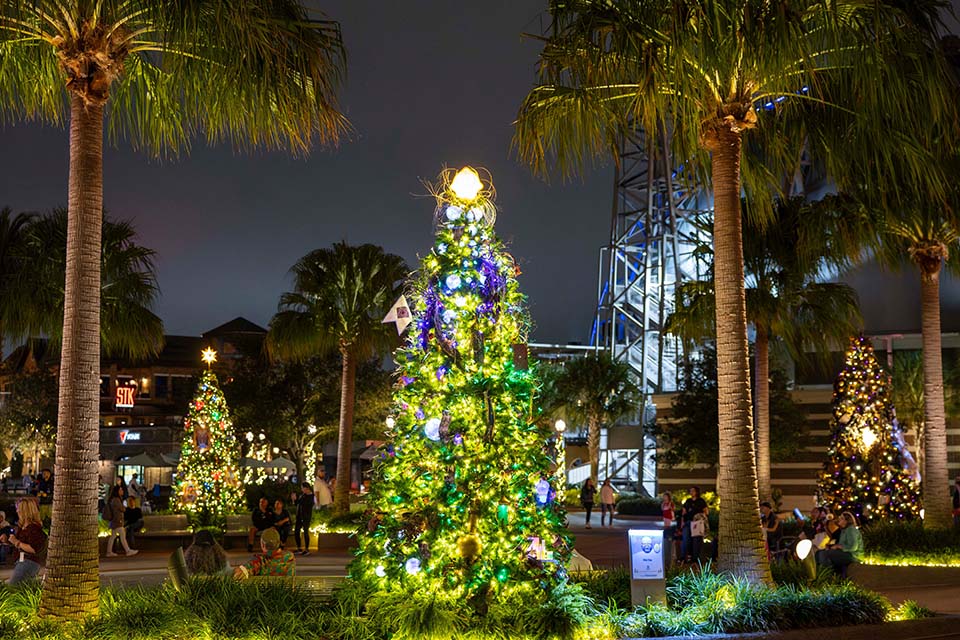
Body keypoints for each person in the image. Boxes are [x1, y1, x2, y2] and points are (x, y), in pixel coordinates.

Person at [0, 497, 47, 584]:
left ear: (25, 510)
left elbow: (33, 549)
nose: (17, 511)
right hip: (22, 562)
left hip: (29, 562)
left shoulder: (33, 528)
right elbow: (18, 544)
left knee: (13, 588)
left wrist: (16, 542)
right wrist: (7, 541)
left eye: (19, 508)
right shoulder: (22, 527)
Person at [816, 511, 863, 575]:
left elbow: (853, 547)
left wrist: (838, 546)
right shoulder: (844, 530)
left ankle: (827, 575)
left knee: (824, 554)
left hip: (853, 555)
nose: (839, 519)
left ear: (846, 521)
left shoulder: (851, 530)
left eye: (841, 518)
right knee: (818, 553)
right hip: (845, 553)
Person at [103, 484, 138, 557]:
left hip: (114, 521)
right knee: (122, 535)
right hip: (117, 520)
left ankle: (109, 552)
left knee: (113, 536)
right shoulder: (116, 500)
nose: (122, 491)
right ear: (117, 491)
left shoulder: (113, 499)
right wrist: (124, 506)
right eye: (121, 490)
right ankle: (128, 551)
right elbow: (122, 509)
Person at [680, 486, 708, 563]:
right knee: (686, 539)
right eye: (690, 491)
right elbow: (684, 512)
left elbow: (706, 512)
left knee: (697, 540)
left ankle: (695, 557)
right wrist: (682, 522)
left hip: (697, 523)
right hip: (688, 522)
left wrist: (701, 517)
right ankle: (684, 557)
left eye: (693, 491)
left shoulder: (701, 501)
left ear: (696, 492)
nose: (691, 492)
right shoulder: (688, 501)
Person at [294, 482, 315, 556]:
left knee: (306, 532)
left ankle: (307, 549)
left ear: (306, 488)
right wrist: (295, 499)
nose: (302, 490)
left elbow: (306, 504)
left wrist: (298, 500)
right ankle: (299, 548)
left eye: (303, 488)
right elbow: (298, 503)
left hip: (306, 517)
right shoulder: (303, 495)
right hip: (299, 516)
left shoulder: (311, 496)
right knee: (296, 531)